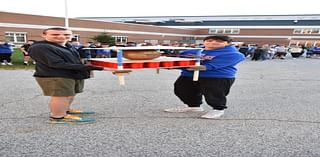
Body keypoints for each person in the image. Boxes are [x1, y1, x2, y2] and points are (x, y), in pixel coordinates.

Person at [29, 27, 104, 124]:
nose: (61, 37)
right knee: (61, 96)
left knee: (69, 94)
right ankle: (58, 117)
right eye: (55, 35)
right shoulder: (40, 47)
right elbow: (56, 64)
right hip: (55, 76)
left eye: (66, 35)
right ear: (44, 35)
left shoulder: (68, 45)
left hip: (70, 74)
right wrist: (90, 67)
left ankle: (65, 110)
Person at [164, 35, 245, 119]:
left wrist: (201, 67)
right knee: (182, 89)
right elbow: (178, 59)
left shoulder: (232, 54)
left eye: (218, 41)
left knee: (214, 93)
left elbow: (212, 65)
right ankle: (194, 106)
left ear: (228, 43)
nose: (213, 42)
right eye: (209, 40)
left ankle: (218, 109)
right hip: (188, 75)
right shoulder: (194, 51)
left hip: (217, 76)